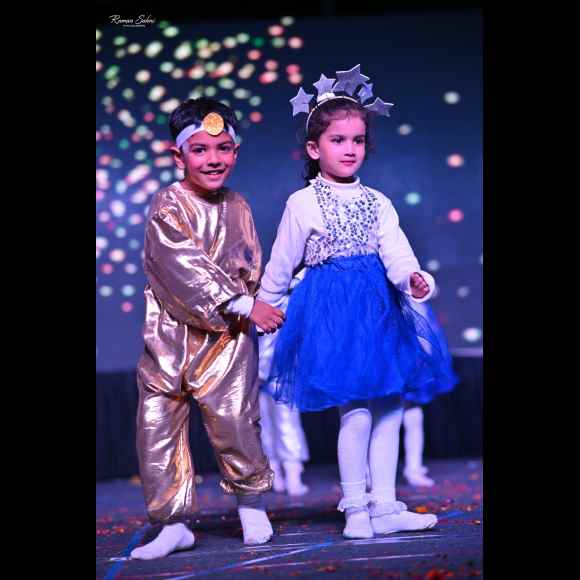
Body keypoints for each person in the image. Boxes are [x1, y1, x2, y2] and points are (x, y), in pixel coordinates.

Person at [258, 65, 456, 539]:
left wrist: (414, 279)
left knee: (389, 405)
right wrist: (264, 306)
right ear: (314, 148)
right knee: (356, 409)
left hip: (379, 315)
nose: (349, 149)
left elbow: (397, 252)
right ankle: (356, 509)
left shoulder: (378, 201)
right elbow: (281, 263)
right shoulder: (302, 203)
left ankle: (385, 505)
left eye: (358, 140)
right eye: (338, 140)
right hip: (333, 317)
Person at [130, 97, 286, 559]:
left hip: (227, 337)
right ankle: (173, 523)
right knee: (157, 425)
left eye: (223, 148)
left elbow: (250, 262)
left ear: (235, 151)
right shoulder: (168, 204)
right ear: (178, 155)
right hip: (170, 336)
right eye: (200, 149)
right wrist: (243, 303)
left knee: (235, 419)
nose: (213, 159)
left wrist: (259, 300)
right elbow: (179, 264)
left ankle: (251, 506)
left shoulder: (238, 204)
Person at [258, 270, 310, 496]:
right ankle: (275, 473)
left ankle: (290, 474)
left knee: (284, 421)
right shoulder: (263, 303)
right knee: (264, 424)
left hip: (282, 373)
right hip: (262, 373)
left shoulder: (291, 302)